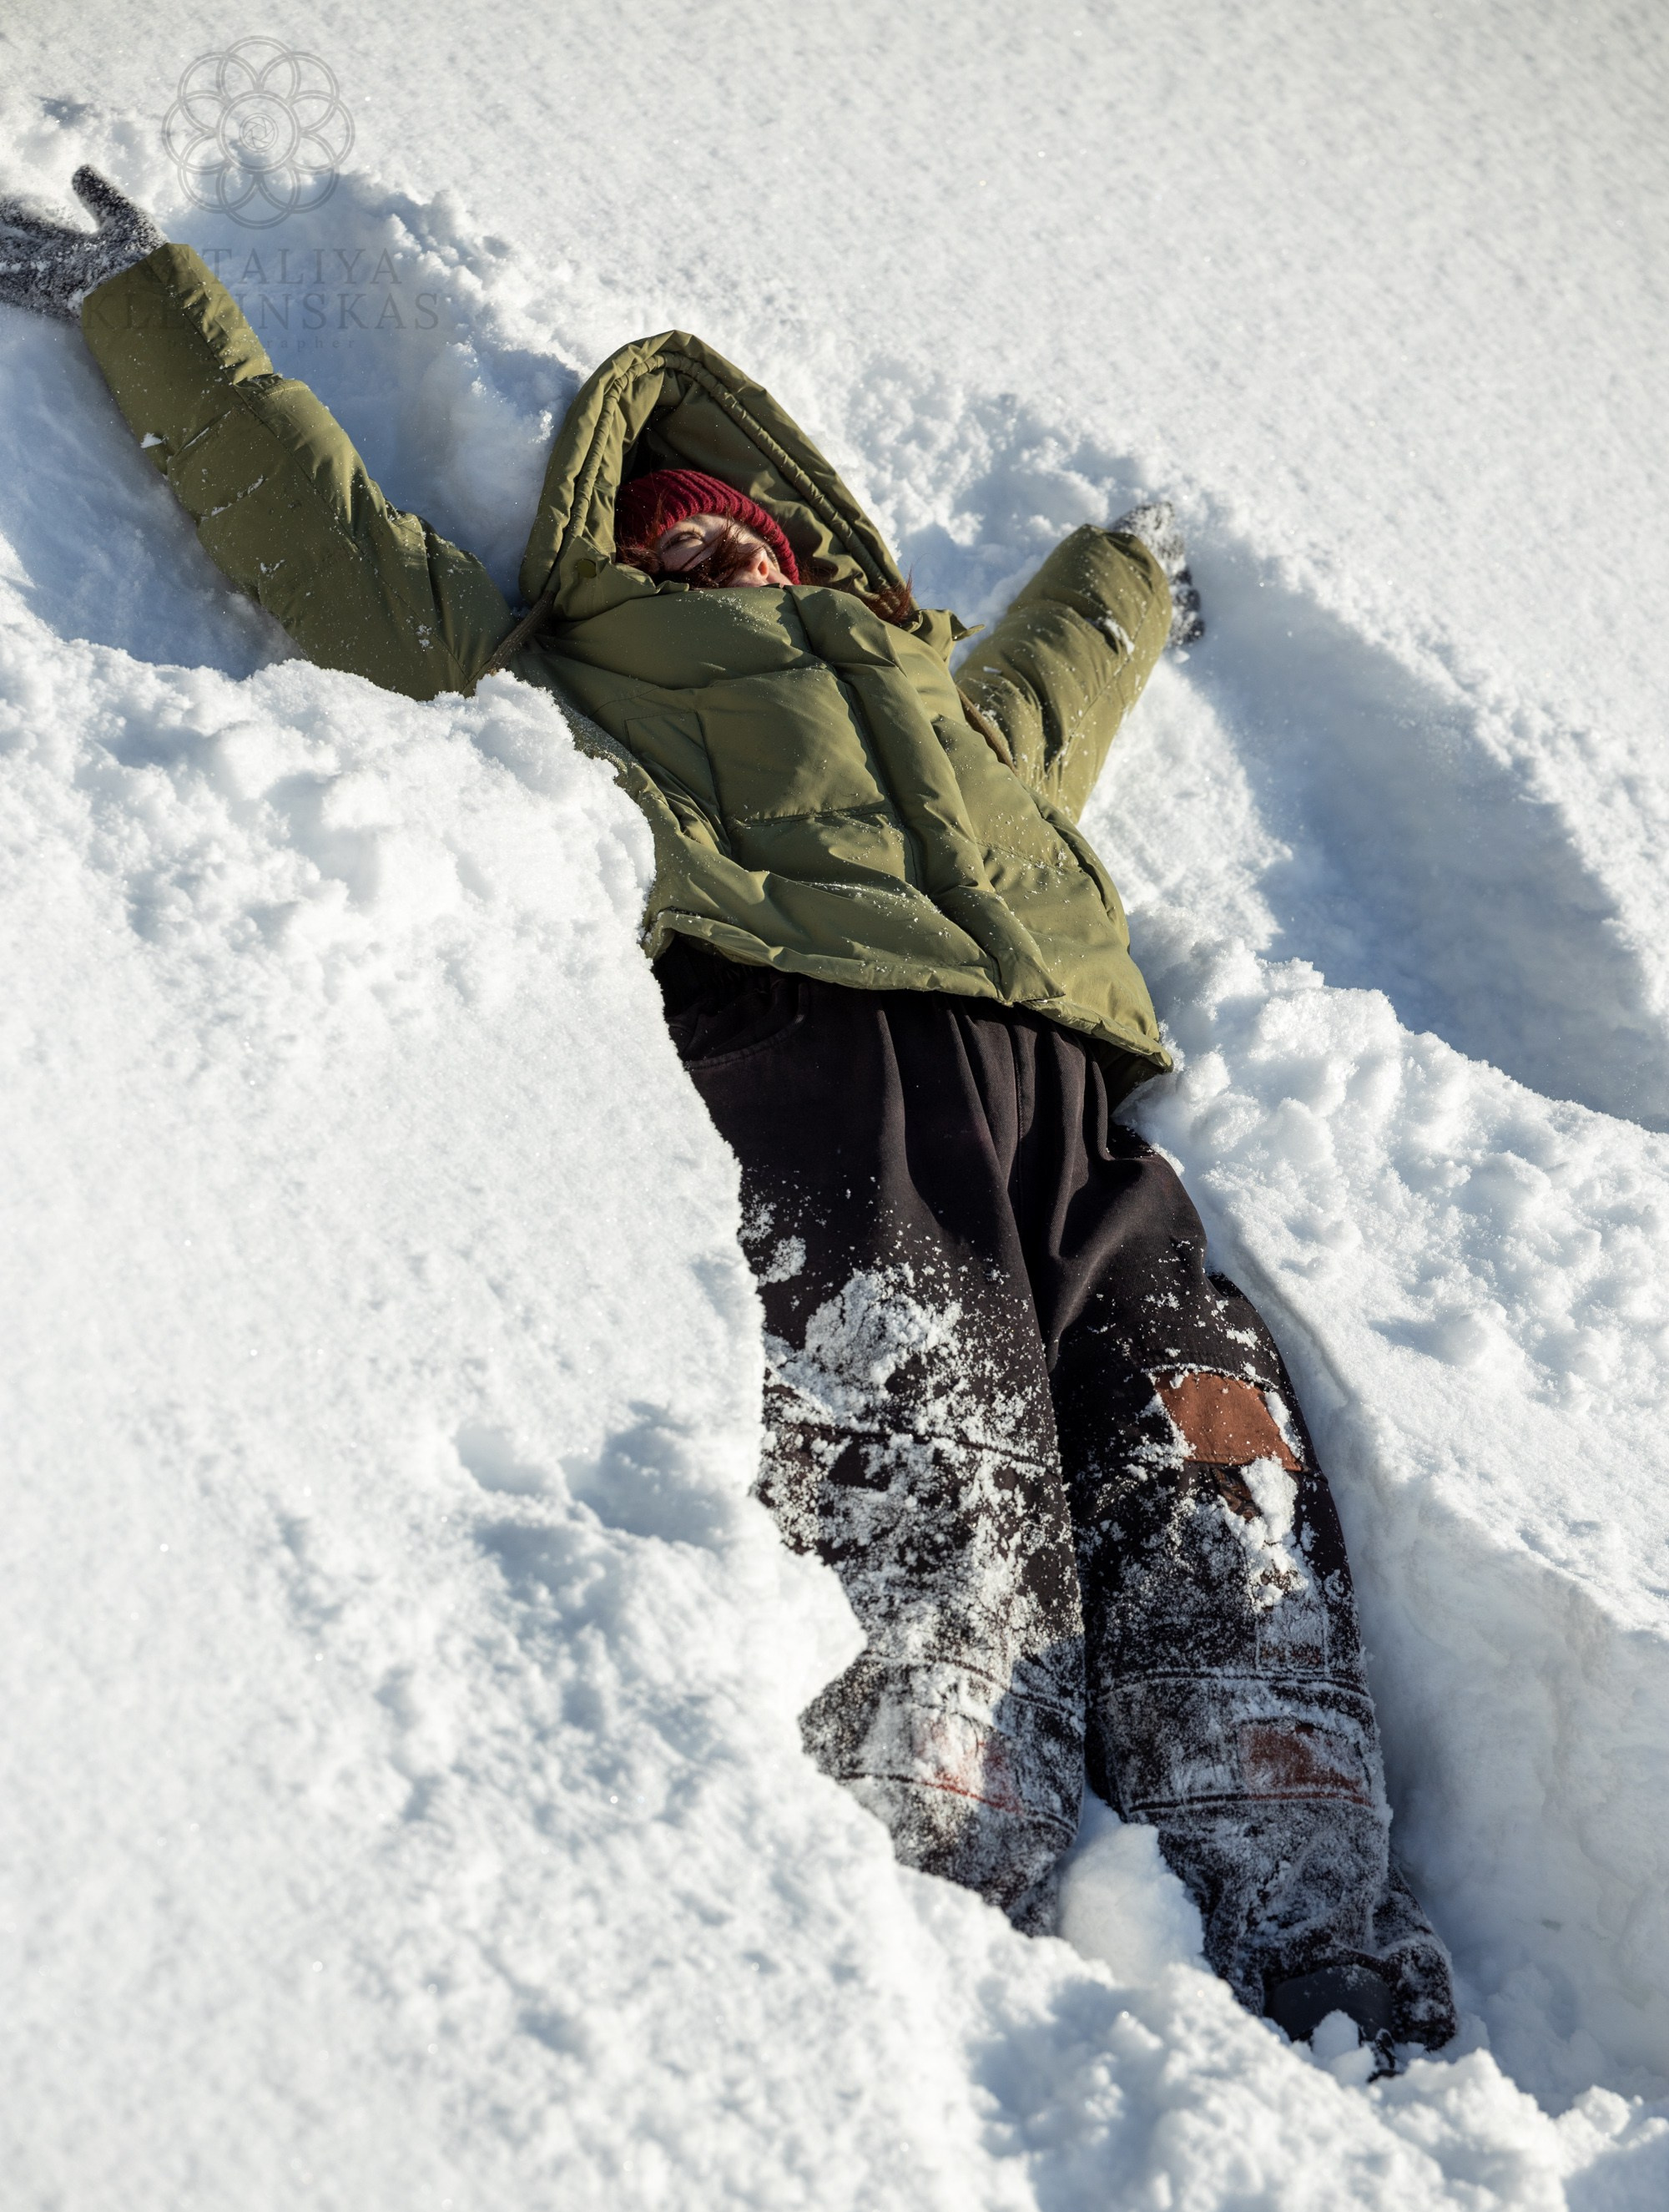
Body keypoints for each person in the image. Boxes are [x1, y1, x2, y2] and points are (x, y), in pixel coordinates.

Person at [1, 169, 1457, 2063]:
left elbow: (1062, 686)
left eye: (742, 540)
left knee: (1207, 1434)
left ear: (812, 556)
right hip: (818, 1056)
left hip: (1075, 1113)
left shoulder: (946, 709)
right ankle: (944, 1818)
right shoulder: (557, 662)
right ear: (615, 561)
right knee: (937, 1422)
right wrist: (148, 304)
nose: (715, 560)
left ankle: (1291, 1839)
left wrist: (1124, 573)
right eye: (671, 541)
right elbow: (329, 546)